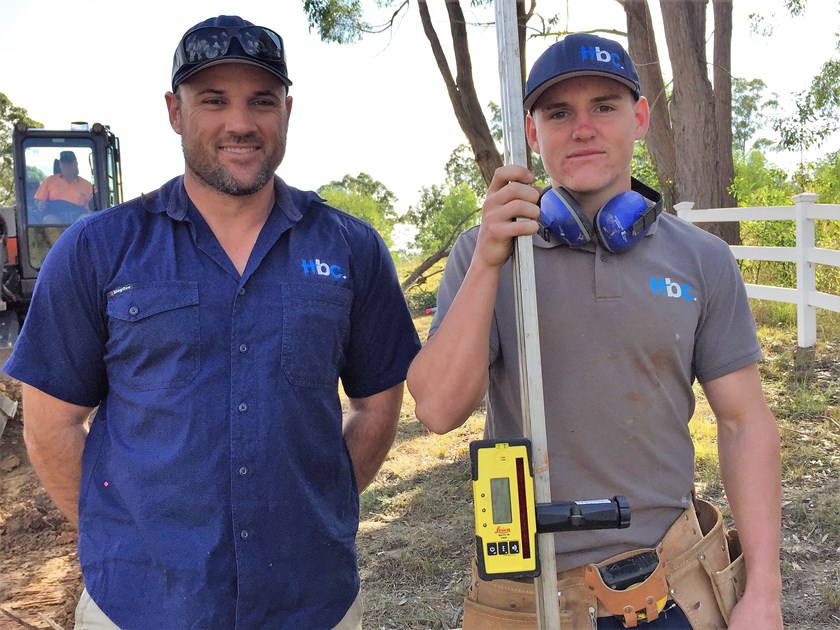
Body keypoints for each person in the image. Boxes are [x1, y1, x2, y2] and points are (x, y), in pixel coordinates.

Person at [5, 15, 420, 630]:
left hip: (311, 603)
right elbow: (50, 427)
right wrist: (134, 539)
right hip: (140, 608)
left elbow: (377, 408)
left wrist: (314, 514)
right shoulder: (97, 250)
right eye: (214, 100)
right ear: (175, 111)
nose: (241, 123)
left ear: (286, 109)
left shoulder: (350, 249)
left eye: (261, 100)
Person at [407, 33, 782, 630]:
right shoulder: (489, 257)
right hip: (531, 598)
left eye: (603, 107)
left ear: (639, 118)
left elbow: (743, 422)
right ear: (533, 134)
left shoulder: (703, 261)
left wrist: (763, 589)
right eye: (559, 113)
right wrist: (487, 261)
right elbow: (436, 410)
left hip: (672, 584)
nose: (582, 129)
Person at [33, 150, 94, 221]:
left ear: (76, 164)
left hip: (77, 219)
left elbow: (91, 207)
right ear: (60, 165)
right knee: (49, 219)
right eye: (64, 163)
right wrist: (40, 204)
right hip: (55, 217)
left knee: (86, 219)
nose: (67, 166)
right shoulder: (49, 181)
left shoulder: (86, 185)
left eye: (70, 163)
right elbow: (38, 201)